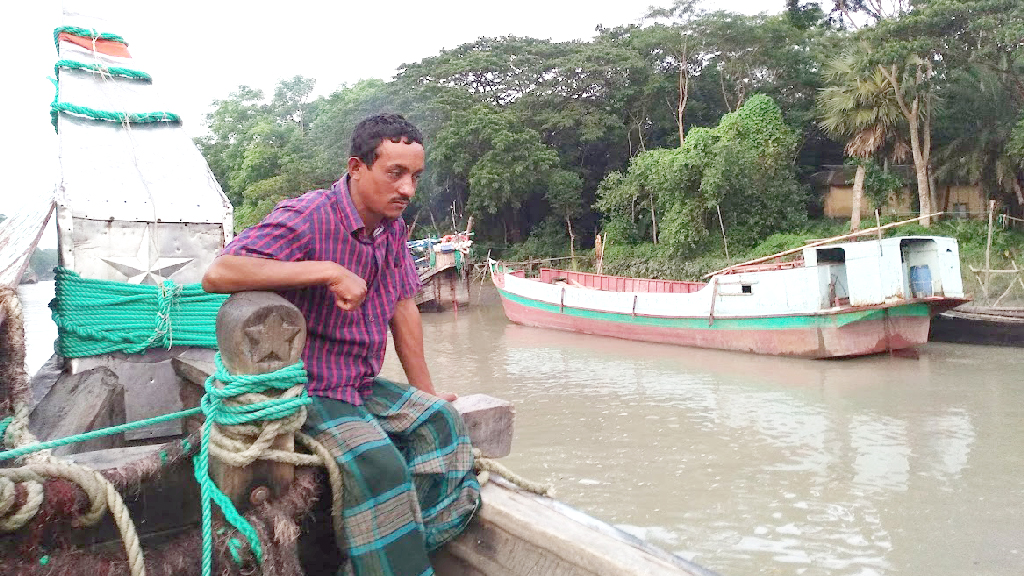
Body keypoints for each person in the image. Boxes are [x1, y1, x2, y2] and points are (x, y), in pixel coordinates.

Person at [202, 113, 480, 575]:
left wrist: (425, 390)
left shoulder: (391, 230)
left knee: (444, 424)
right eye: (395, 173)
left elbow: (403, 306)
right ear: (357, 167)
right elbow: (220, 272)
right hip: (312, 387)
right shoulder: (308, 217)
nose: (408, 189)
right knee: (380, 466)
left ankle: (404, 542)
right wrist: (327, 269)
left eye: (415, 176)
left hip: (360, 382)